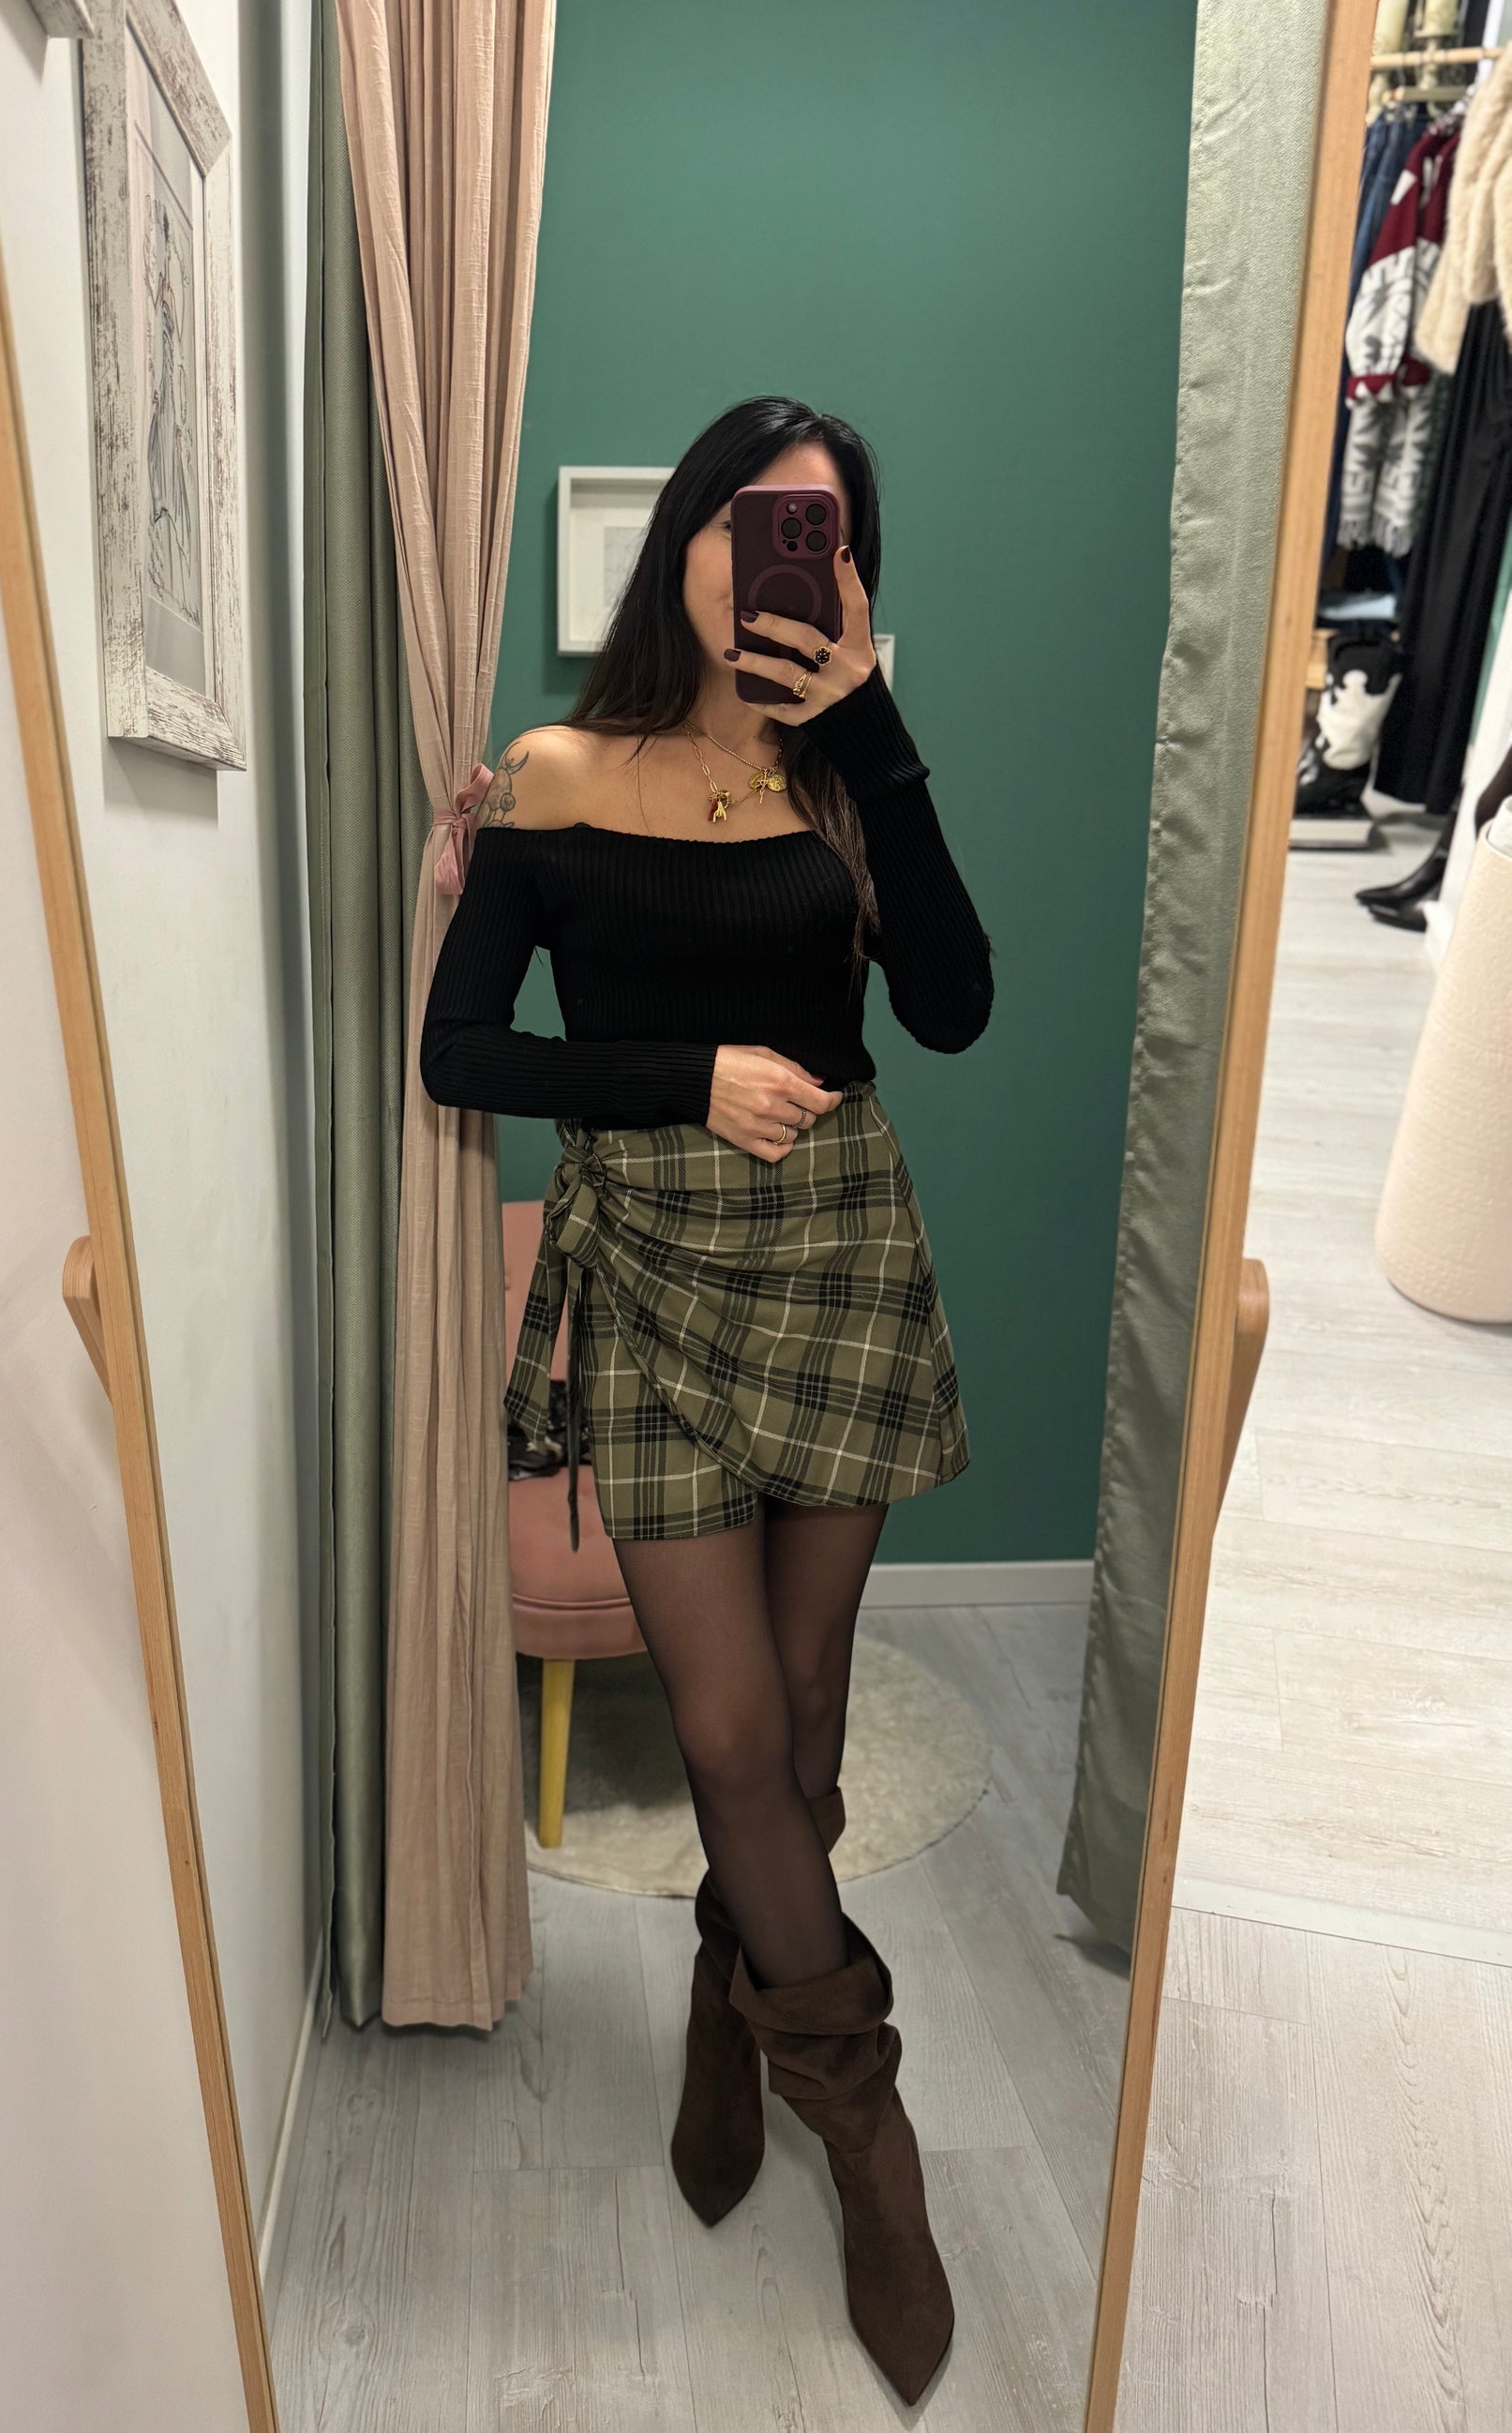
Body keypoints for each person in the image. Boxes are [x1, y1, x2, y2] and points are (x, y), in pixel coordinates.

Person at [419, 395, 993, 2406]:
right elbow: (464, 1051)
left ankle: (725, 2004)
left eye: (821, 533)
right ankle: (873, 2136)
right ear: (682, 542)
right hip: (650, 1281)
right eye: (752, 522)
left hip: (837, 1253)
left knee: (809, 1711)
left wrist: (875, 734)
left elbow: (950, 1008)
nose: (778, 559)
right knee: (733, 1733)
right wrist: (686, 1078)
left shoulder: (846, 779)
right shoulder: (553, 775)